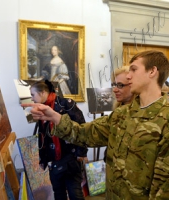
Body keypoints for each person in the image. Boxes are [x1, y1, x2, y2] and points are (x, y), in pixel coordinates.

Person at [22, 50, 169, 199]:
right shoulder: (122, 114)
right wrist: (55, 117)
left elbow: (163, 186)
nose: (129, 75)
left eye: (134, 69)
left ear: (152, 71)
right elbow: (85, 133)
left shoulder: (165, 119)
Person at [29, 80, 87, 200]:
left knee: (74, 194)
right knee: (59, 194)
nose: (32, 99)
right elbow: (43, 136)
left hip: (70, 157)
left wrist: (81, 152)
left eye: (33, 95)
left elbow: (82, 127)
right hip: (53, 159)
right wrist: (43, 158)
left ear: (43, 92)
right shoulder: (41, 109)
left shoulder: (66, 104)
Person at [103, 65, 135, 162]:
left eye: (120, 85)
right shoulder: (118, 109)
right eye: (114, 85)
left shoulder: (139, 113)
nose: (115, 90)